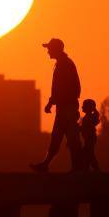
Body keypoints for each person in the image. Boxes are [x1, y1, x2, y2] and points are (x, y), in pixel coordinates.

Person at [30, 38, 83, 172]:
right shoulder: (63, 64)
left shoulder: (64, 65)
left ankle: (77, 167)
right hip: (64, 108)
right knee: (60, 137)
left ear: (56, 49)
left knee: (70, 139)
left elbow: (63, 88)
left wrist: (53, 102)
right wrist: (52, 102)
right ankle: (47, 164)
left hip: (67, 108)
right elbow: (59, 89)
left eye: (49, 49)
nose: (48, 52)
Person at [80, 98, 100, 172]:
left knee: (89, 154)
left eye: (84, 106)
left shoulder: (88, 118)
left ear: (88, 108)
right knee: (88, 154)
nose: (82, 107)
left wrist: (79, 128)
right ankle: (87, 169)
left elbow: (86, 127)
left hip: (90, 138)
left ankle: (96, 169)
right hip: (89, 139)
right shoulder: (88, 117)